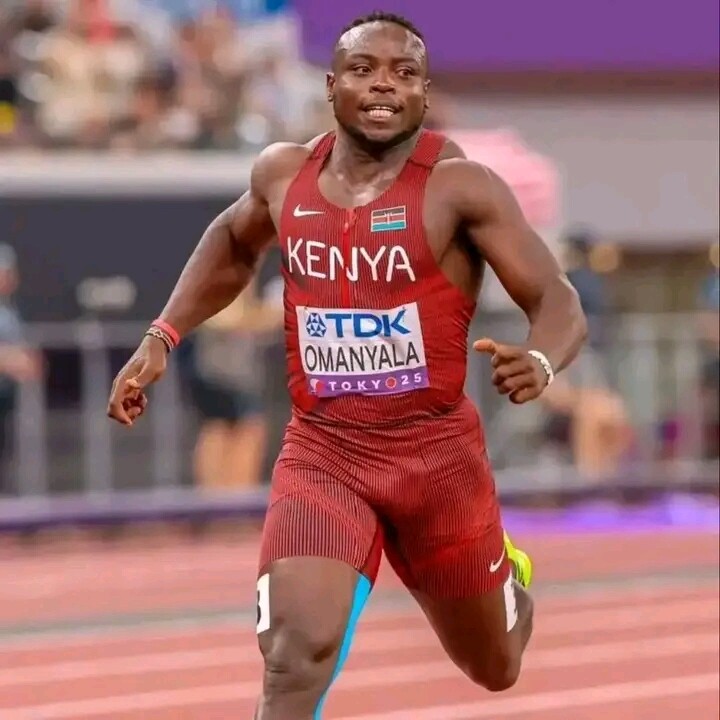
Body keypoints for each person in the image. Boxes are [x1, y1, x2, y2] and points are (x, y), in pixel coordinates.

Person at [107, 11, 587, 719]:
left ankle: (505, 571)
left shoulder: (462, 186)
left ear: (424, 93)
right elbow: (232, 243)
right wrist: (162, 335)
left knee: (494, 665)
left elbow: (555, 297)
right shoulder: (282, 173)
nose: (384, 84)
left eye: (404, 72)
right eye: (364, 70)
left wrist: (542, 357)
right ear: (331, 86)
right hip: (325, 453)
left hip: (436, 460)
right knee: (294, 654)